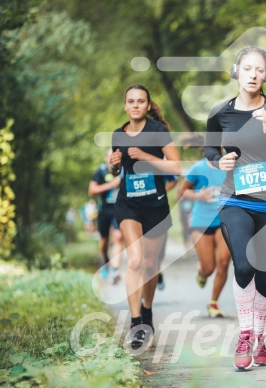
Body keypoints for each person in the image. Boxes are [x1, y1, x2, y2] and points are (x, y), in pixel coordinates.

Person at [205, 46, 266, 370]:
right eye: (248, 68)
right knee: (243, 266)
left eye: (260, 69)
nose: (253, 74)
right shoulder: (219, 112)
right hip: (234, 200)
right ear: (236, 71)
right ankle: (244, 335)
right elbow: (210, 150)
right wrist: (219, 159)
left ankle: (259, 337)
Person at [109, 84, 181, 349]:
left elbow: (176, 166)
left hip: (156, 206)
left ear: (148, 106)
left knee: (151, 265)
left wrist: (147, 157)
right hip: (128, 204)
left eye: (141, 101)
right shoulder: (118, 134)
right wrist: (114, 165)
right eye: (131, 101)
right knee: (135, 261)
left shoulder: (158, 131)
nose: (135, 105)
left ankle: (147, 309)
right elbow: (116, 170)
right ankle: (137, 323)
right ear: (125, 106)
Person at [177, 139, 231, 318]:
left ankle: (213, 303)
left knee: (223, 262)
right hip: (202, 222)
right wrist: (199, 196)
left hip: (224, 219)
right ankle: (202, 271)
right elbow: (181, 193)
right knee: (209, 268)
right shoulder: (198, 168)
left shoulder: (232, 166)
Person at [89, 148, 124, 283]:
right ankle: (105, 260)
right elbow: (91, 191)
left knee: (118, 237)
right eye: (110, 156)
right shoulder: (100, 171)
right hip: (105, 210)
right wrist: (110, 185)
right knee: (104, 241)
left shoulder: (124, 170)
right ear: (105, 158)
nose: (112, 159)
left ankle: (116, 270)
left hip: (119, 209)